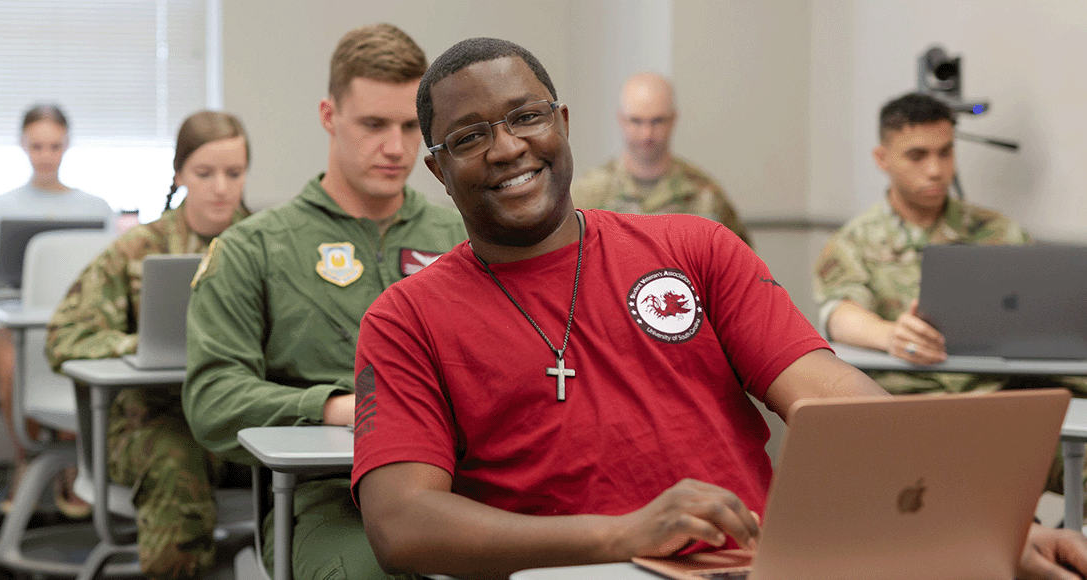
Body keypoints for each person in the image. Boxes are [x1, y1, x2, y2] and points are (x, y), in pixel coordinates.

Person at [350, 38, 1087, 580]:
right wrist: (620, 537)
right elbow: (403, 524)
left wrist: (995, 527)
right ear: (438, 169)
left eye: (525, 117)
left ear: (564, 122)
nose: (509, 148)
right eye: (471, 136)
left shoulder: (695, 246)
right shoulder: (404, 318)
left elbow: (838, 402)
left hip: (751, 566)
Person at [181, 24, 466, 580]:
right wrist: (333, 407)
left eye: (412, 127)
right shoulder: (255, 247)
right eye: (374, 124)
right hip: (331, 500)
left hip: (468, 482)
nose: (396, 147)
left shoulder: (463, 236)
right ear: (329, 116)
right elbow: (213, 397)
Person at [44, 111, 251, 580]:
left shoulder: (268, 243)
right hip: (153, 419)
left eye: (233, 173)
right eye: (204, 173)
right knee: (176, 462)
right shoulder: (139, 247)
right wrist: (138, 344)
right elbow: (64, 336)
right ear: (179, 174)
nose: (221, 187)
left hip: (242, 414)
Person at [813, 92, 1086, 395]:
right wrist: (890, 335)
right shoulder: (855, 240)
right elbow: (838, 314)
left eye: (945, 152)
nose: (935, 170)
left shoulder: (997, 230)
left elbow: (1044, 306)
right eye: (917, 156)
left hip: (995, 396)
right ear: (882, 159)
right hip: (906, 399)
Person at [0, 104, 115, 517]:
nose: (46, 155)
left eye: (54, 145)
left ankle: (71, 458)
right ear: (23, 146)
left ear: (68, 145)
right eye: (37, 146)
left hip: (72, 324)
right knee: (17, 359)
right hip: (8, 323)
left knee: (77, 357)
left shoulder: (97, 208)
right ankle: (26, 456)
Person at [571, 71, 752, 246]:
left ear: (673, 120)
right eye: (636, 121)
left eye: (657, 121)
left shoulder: (706, 195)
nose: (647, 133)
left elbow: (741, 267)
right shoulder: (587, 194)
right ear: (621, 120)